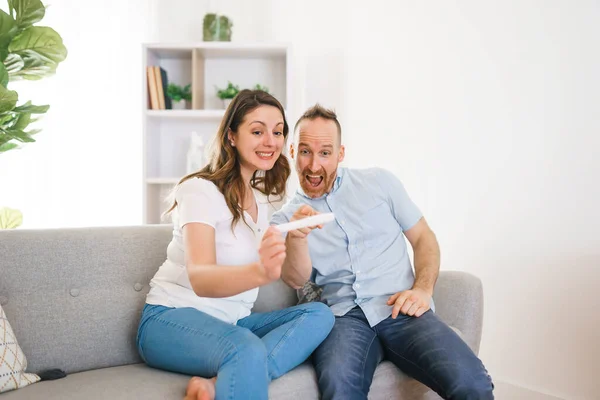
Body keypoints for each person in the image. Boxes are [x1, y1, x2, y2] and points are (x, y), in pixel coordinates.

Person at [271, 104, 494, 400]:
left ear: (340, 153)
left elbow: (424, 238)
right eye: (305, 152)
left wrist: (423, 290)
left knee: (473, 384)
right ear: (292, 151)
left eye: (325, 153)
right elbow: (294, 279)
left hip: (401, 308)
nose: (314, 165)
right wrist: (297, 238)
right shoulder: (285, 219)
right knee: (339, 390)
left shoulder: (379, 183)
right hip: (343, 319)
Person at [137, 92, 335, 400]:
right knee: (246, 348)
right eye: (257, 131)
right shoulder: (199, 190)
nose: (270, 141)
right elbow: (201, 277)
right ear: (231, 135)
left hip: (231, 324)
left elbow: (295, 279)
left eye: (278, 131)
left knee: (320, 315)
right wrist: (258, 272)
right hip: (169, 320)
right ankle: (242, 365)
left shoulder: (260, 204)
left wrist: (297, 237)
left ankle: (218, 383)